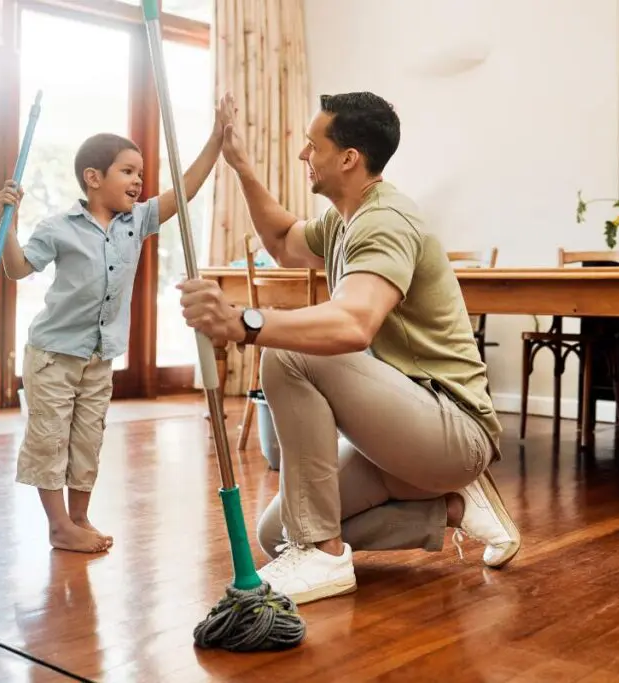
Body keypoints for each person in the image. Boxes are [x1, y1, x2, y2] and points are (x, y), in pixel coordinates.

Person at [177, 92, 521, 604]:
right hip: (402, 430)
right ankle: (451, 509)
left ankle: (324, 556)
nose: (303, 155)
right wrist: (243, 165)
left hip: (452, 428)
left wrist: (241, 323)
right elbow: (282, 242)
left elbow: (354, 324)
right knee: (280, 534)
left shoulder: (385, 220)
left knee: (289, 350)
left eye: (311, 146)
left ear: (348, 158)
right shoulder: (345, 219)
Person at [0, 94, 235, 553]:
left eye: (140, 174)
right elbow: (16, 269)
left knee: (88, 438)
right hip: (53, 355)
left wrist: (216, 139)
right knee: (50, 439)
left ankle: (80, 516)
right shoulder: (58, 227)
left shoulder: (137, 221)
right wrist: (7, 222)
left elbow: (184, 191)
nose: (138, 181)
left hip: (100, 354)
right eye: (128, 171)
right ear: (93, 177)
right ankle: (58, 525)